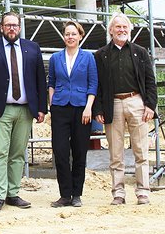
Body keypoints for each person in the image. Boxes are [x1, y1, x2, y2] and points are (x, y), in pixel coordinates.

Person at [0, 12, 47, 213]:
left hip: (25, 110)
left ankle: (13, 193)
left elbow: (40, 80)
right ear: (1, 28)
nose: (12, 28)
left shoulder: (32, 48)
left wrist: (42, 108)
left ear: (20, 27)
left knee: (17, 154)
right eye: (8, 25)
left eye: (15, 25)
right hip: (0, 110)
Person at [93, 12, 157, 205]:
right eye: (117, 27)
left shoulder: (140, 52)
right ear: (111, 30)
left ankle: (143, 191)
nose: (121, 30)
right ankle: (118, 193)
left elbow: (150, 80)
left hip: (136, 102)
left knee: (141, 150)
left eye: (124, 27)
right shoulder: (101, 55)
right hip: (113, 104)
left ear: (129, 30)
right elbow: (97, 85)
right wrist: (98, 110)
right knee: (115, 152)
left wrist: (150, 105)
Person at [47, 20, 98, 208]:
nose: (70, 37)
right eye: (67, 34)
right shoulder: (55, 58)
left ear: (80, 36)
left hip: (81, 109)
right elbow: (51, 82)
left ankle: (76, 194)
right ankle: (64, 195)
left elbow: (93, 84)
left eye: (73, 34)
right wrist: (52, 102)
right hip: (60, 107)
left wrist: (88, 107)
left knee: (79, 152)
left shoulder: (88, 58)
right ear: (63, 36)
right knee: (60, 152)